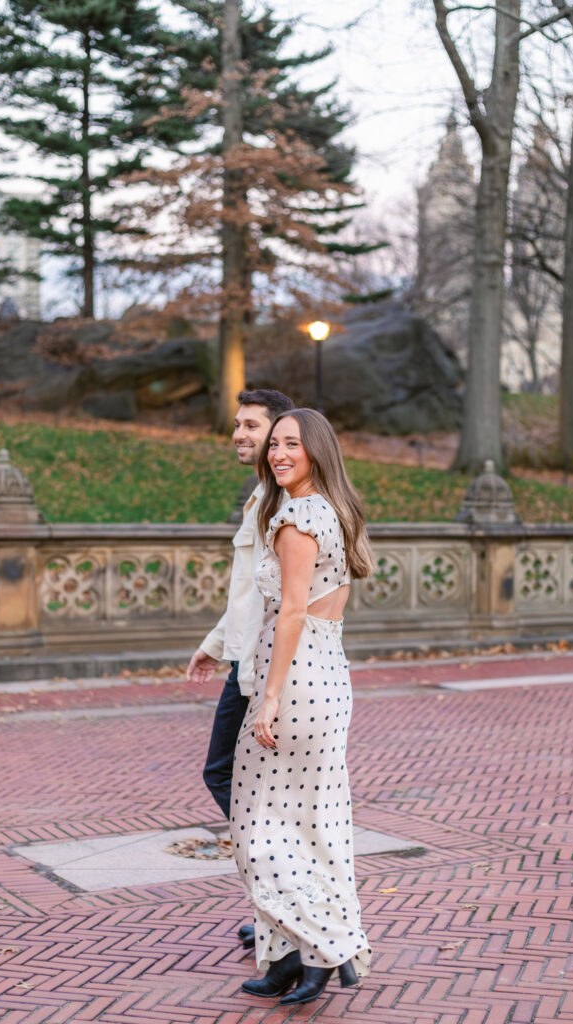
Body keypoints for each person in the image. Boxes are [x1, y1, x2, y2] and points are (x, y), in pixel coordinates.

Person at [229, 408, 374, 1006]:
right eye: (274, 445)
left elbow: (289, 612)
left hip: (295, 680)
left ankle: (328, 944)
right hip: (328, 673)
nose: (277, 453)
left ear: (317, 451)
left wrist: (267, 698)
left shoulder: (296, 517)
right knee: (313, 825)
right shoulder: (334, 511)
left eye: (292, 444)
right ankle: (293, 959)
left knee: (256, 826)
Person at [186, 388, 294, 950]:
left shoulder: (284, 503)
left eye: (252, 426)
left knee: (231, 779)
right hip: (246, 660)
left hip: (265, 669)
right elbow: (249, 592)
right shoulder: (261, 497)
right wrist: (215, 643)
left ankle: (285, 899)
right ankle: (279, 903)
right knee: (247, 788)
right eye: (237, 425)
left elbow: (284, 600)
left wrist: (260, 683)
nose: (239, 435)